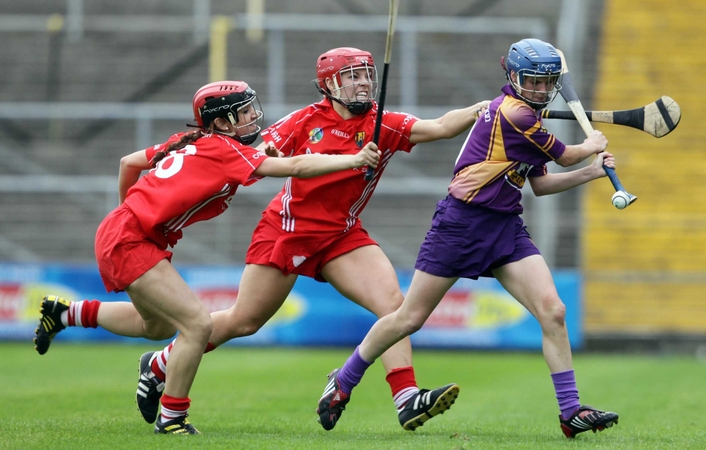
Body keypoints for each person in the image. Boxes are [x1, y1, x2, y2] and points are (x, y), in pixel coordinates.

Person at [132, 47, 491, 432]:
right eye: (352, 76)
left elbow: (440, 127)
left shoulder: (383, 123)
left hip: (341, 234)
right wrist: (268, 152)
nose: (363, 83)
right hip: (287, 232)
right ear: (329, 84)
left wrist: (481, 109)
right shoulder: (305, 120)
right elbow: (257, 153)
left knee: (393, 305)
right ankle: (160, 364)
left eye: (366, 74)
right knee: (244, 321)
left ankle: (406, 398)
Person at [33, 80, 380, 435]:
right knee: (198, 325)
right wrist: (353, 159)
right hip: (130, 238)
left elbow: (129, 163)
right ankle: (172, 418)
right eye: (243, 112)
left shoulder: (189, 140)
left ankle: (64, 313)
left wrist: (126, 210)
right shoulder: (226, 150)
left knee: (156, 327)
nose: (253, 117)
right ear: (221, 123)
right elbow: (297, 168)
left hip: (126, 232)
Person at [316, 38, 621, 438]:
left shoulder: (529, 121)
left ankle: (571, 412)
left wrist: (592, 172)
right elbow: (565, 155)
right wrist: (591, 146)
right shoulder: (515, 115)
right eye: (532, 81)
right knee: (409, 318)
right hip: (462, 225)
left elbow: (541, 185)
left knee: (553, 311)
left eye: (547, 83)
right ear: (513, 77)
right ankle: (343, 380)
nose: (540, 90)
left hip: (506, 227)